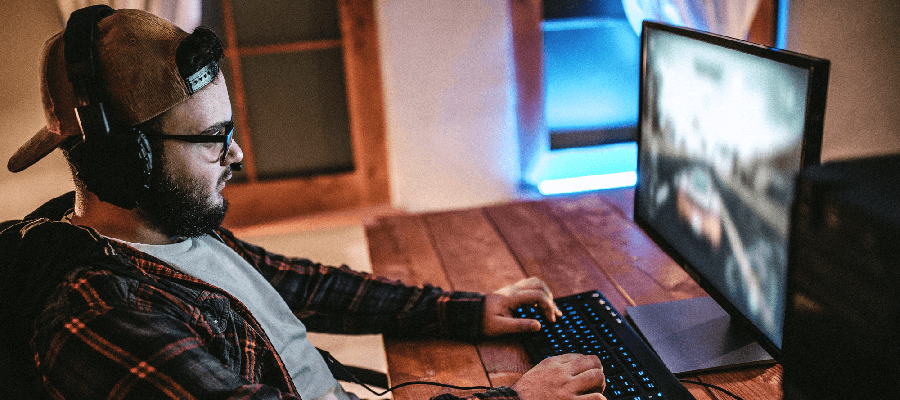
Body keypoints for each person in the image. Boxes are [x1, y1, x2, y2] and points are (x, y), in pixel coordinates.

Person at [0, 6, 607, 400]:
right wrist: (515, 398)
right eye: (212, 138)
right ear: (126, 161)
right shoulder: (97, 315)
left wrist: (466, 310)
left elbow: (301, 284)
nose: (236, 154)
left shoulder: (170, 226)